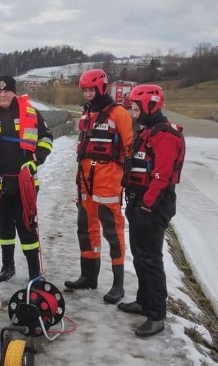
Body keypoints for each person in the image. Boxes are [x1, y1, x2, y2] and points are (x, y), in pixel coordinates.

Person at [118, 84, 185, 337]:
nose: (133, 113)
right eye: (132, 108)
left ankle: (156, 315)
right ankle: (143, 301)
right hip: (139, 201)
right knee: (140, 255)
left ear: (150, 106)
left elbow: (162, 175)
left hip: (152, 205)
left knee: (151, 259)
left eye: (136, 109)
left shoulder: (165, 136)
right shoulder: (148, 131)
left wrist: (147, 205)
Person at [64, 69, 134, 304]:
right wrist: (78, 181)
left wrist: (129, 180)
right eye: (85, 90)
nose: (88, 94)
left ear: (102, 88)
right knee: (85, 229)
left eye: (91, 89)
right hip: (85, 182)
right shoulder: (87, 115)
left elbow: (130, 148)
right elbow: (82, 150)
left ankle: (118, 285)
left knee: (113, 234)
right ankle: (88, 276)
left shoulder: (119, 114)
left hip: (108, 184)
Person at [0, 76, 53, 282]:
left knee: (27, 227)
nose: (3, 95)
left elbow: (46, 139)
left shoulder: (30, 112)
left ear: (14, 92)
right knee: (4, 227)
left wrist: (36, 160)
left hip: (24, 183)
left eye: (7, 91)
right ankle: (7, 266)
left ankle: (34, 272)